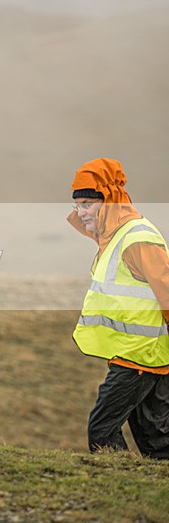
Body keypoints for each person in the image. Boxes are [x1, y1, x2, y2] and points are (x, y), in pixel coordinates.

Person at [69, 158, 169, 458]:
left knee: (101, 430)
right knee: (157, 441)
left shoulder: (137, 237)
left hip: (138, 356)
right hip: (142, 356)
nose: (80, 211)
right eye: (77, 205)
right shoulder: (113, 237)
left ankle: (115, 481)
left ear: (108, 200)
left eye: (87, 203)